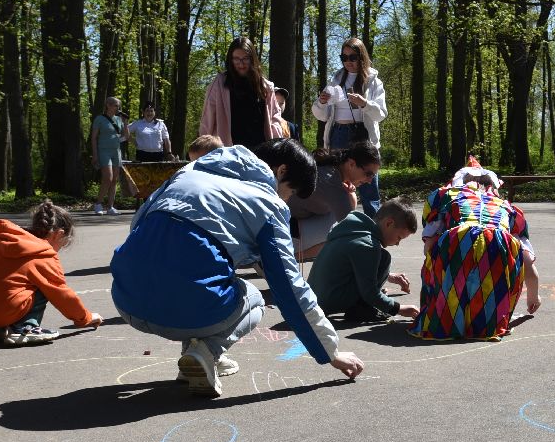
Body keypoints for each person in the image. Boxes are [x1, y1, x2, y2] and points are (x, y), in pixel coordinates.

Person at [110, 140, 364, 397]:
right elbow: (289, 288)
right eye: (288, 193)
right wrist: (330, 352)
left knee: (205, 273)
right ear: (281, 171)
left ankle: (196, 358)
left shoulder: (188, 173)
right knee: (253, 298)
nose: (286, 202)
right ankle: (207, 350)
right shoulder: (268, 203)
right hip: (184, 309)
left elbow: (138, 226)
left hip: (127, 301)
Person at [412, 160, 541, 340]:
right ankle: (485, 323)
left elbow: (430, 244)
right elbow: (527, 262)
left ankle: (447, 317)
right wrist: (533, 297)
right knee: (491, 281)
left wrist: (434, 271)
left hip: (457, 238)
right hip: (498, 242)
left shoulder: (449, 198)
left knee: (453, 276)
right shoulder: (506, 208)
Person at [0, 200, 101, 346]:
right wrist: (85, 318)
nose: (60, 248)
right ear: (58, 234)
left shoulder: (1, 242)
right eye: (64, 243)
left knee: (12, 282)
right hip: (2, 310)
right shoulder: (43, 254)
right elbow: (62, 295)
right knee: (45, 285)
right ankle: (26, 328)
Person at [307, 199, 420, 323]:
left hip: (315, 298)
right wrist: (398, 308)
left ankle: (361, 304)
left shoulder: (354, 230)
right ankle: (362, 309)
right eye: (399, 237)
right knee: (384, 258)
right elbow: (370, 293)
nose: (398, 243)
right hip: (329, 302)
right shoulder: (368, 246)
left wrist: (390, 276)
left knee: (381, 257)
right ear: (389, 223)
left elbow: (351, 265)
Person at [313, 37, 389, 211]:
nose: (348, 62)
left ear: (361, 57)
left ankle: (373, 233)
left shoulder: (373, 81)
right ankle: (338, 227)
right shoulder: (336, 80)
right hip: (338, 133)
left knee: (369, 186)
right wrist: (321, 102)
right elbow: (321, 115)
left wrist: (364, 103)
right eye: (344, 57)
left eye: (352, 57)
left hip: (363, 136)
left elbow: (381, 114)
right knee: (336, 183)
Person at [288, 144, 382, 260]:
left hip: (291, 224)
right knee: (340, 233)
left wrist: (350, 193)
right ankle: (282, 258)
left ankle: (288, 257)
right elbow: (352, 229)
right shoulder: (332, 182)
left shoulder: (333, 169)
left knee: (341, 229)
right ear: (351, 164)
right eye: (368, 174)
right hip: (285, 230)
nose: (370, 181)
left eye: (374, 175)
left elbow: (350, 209)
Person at [200, 36, 288, 150]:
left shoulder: (265, 87)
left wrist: (277, 148)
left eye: (245, 58)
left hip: (259, 150)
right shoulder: (219, 83)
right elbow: (208, 118)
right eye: (236, 59)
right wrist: (203, 149)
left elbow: (274, 119)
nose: (241, 64)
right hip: (229, 150)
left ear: (252, 59)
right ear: (230, 59)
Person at [90, 96, 127, 215]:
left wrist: (125, 123)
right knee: (108, 178)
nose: (118, 108)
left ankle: (110, 206)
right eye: (115, 105)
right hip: (103, 151)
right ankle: (98, 204)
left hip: (116, 151)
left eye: (118, 106)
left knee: (114, 179)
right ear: (108, 105)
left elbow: (125, 136)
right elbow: (94, 138)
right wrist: (95, 154)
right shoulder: (99, 119)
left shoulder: (118, 119)